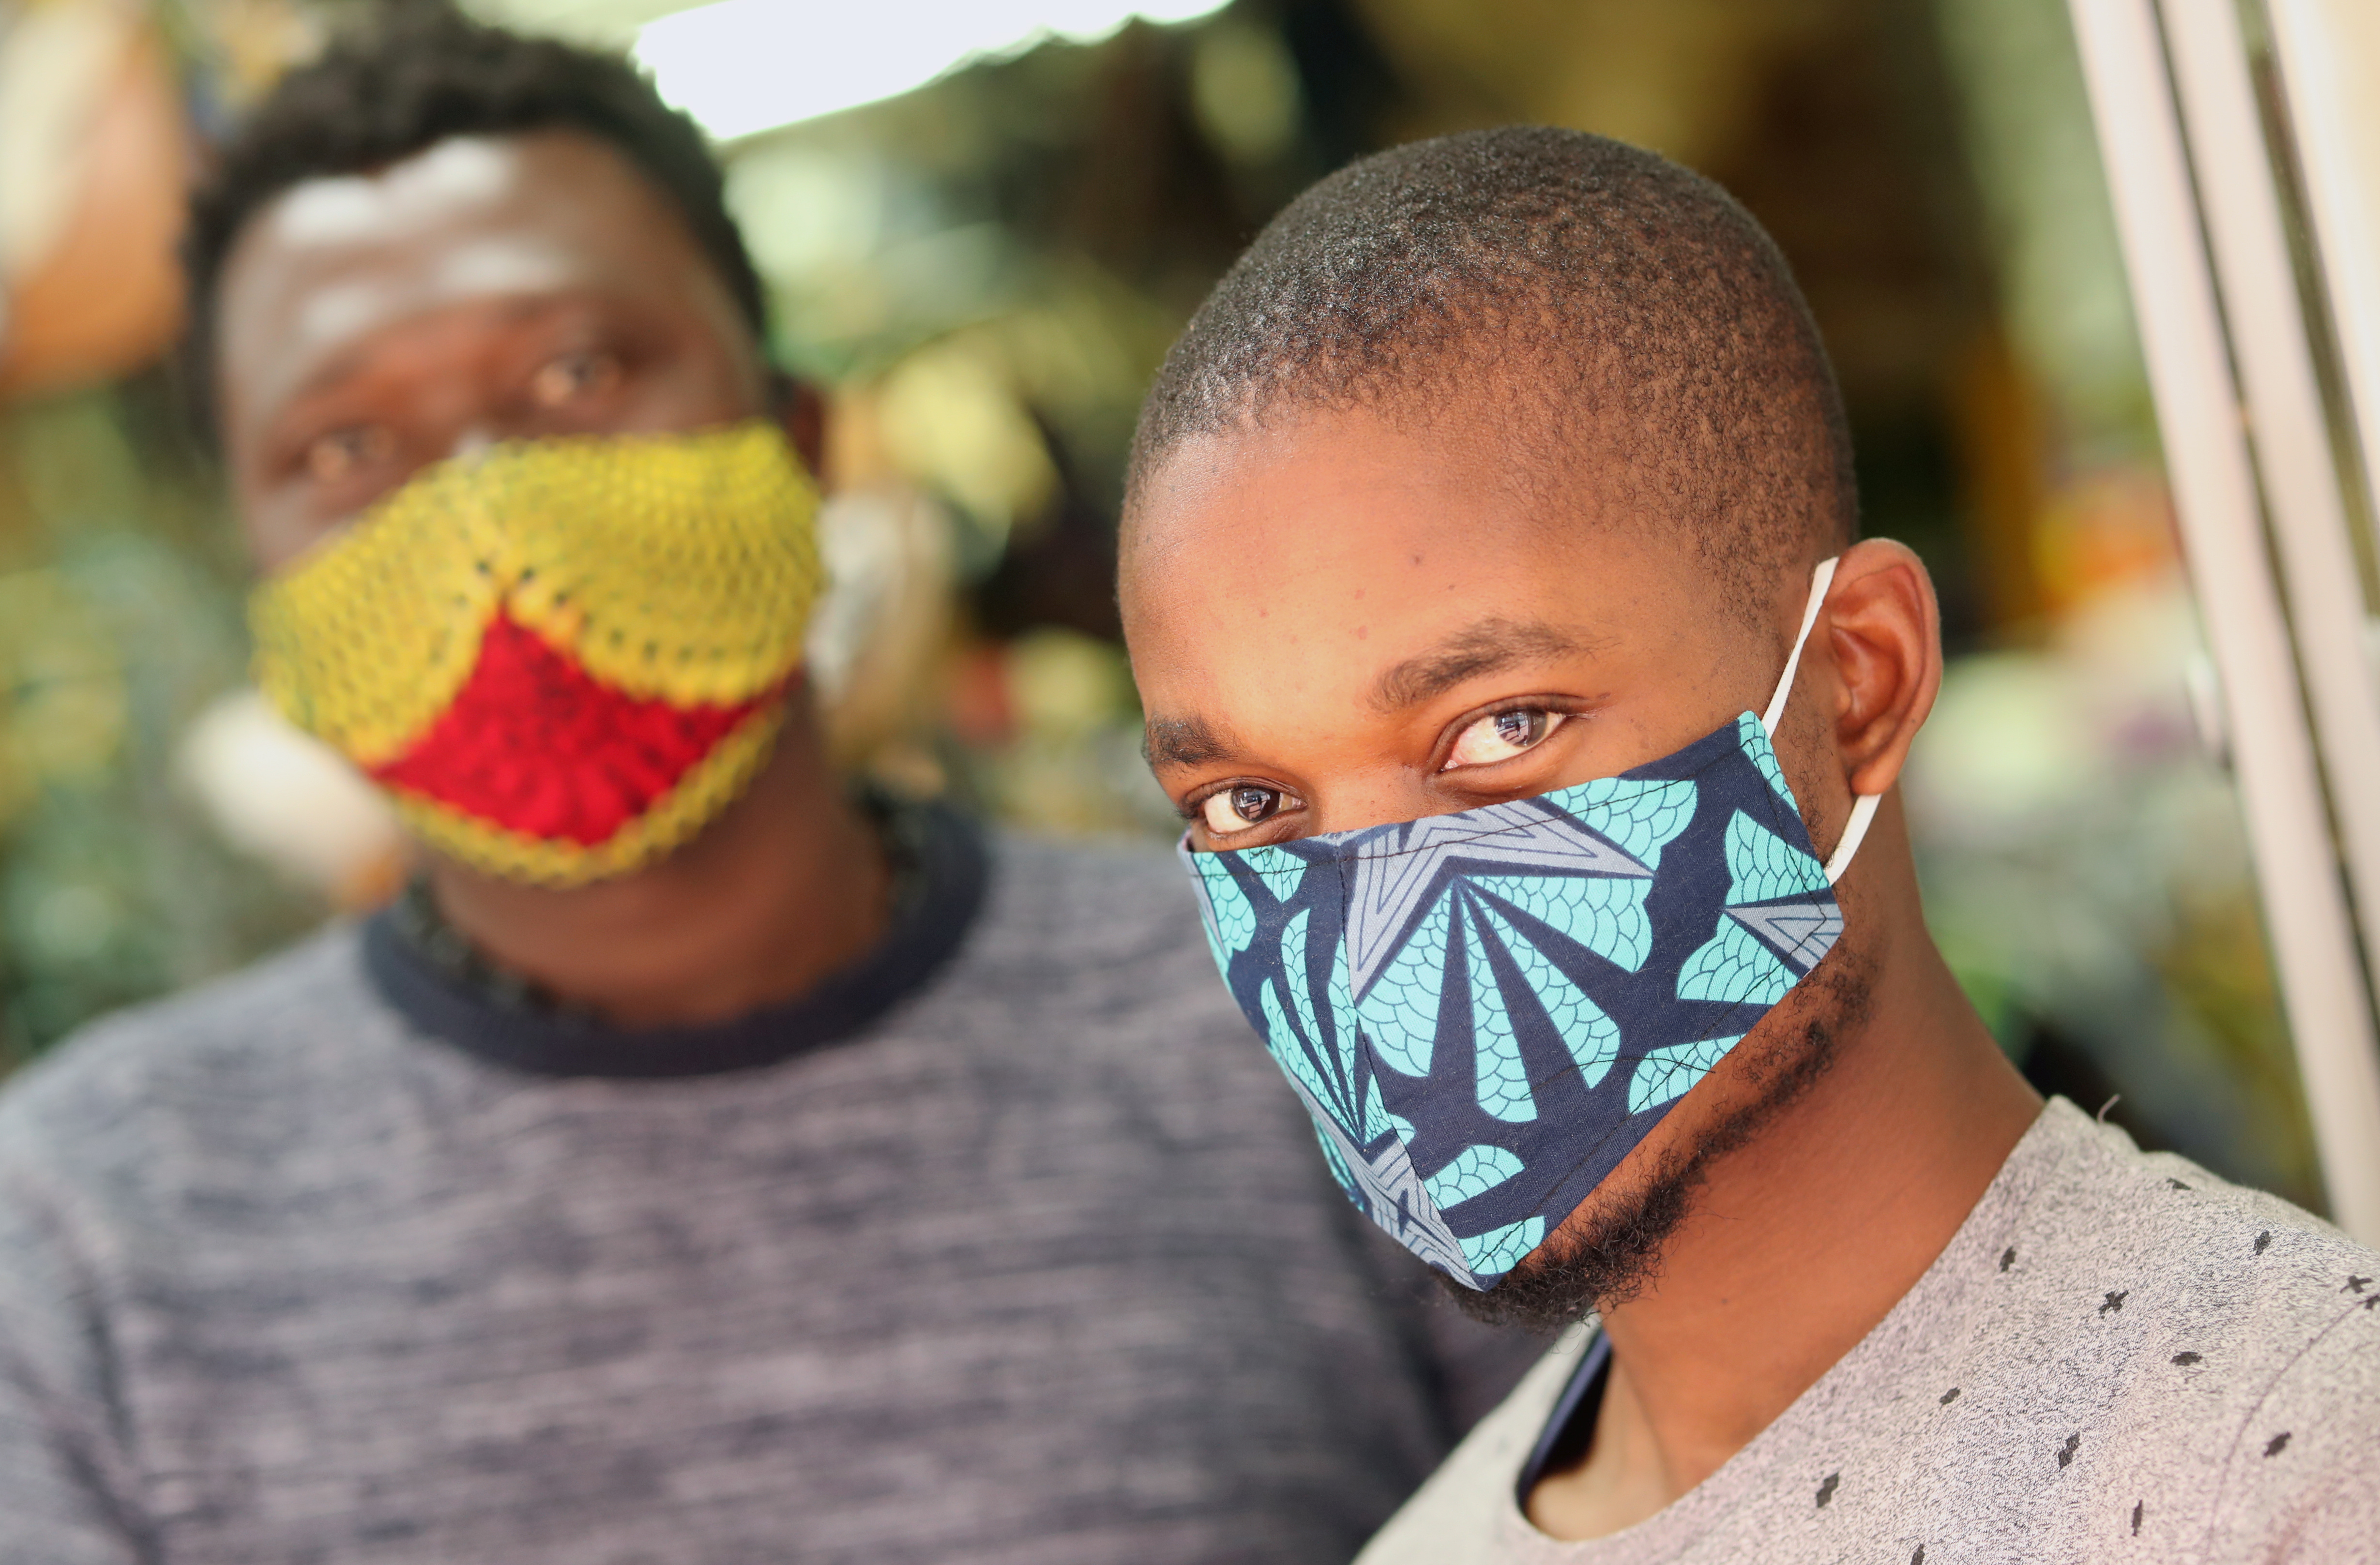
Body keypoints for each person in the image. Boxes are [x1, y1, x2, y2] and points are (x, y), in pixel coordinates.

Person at [0, 14, 1534, 1563]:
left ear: (797, 436)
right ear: (260, 584)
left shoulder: (1321, 1005)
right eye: (343, 445)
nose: (486, 516)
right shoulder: (83, 1245)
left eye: (577, 368)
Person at [1118, 126, 2380, 1563]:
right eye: (1248, 806)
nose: (1368, 938)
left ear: (1858, 683)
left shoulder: (2285, 1462)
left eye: (1503, 724)